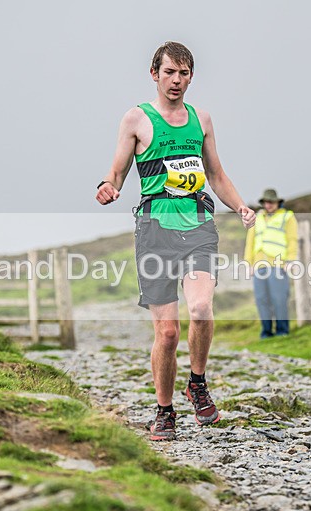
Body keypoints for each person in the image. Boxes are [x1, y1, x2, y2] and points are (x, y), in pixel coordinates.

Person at [95, 41, 256, 441]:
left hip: (198, 225)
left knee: (201, 308)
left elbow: (216, 174)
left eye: (184, 74)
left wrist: (239, 207)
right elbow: (117, 171)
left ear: (191, 77)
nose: (176, 81)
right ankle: (164, 411)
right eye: (170, 73)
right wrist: (107, 186)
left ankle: (197, 383)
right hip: (154, 231)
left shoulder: (201, 119)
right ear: (155, 74)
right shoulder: (136, 119)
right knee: (167, 332)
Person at [244, 188, 298, 338]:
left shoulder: (287, 217)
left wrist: (290, 261)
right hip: (259, 265)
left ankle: (282, 331)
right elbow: (250, 242)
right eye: (266, 202)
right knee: (262, 299)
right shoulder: (257, 218)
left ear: (277, 202)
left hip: (278, 265)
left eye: (271, 202)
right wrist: (248, 263)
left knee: (279, 299)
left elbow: (292, 240)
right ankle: (266, 332)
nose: (268, 205)